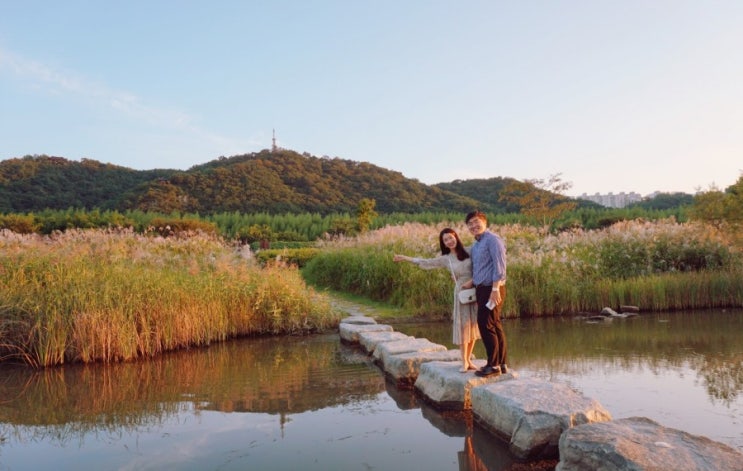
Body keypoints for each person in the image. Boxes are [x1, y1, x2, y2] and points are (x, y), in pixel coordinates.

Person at [393, 228, 480, 372]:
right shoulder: (446, 259)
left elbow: (481, 267)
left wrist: (472, 280)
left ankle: (469, 359)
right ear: (443, 243)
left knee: (473, 326)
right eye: (446, 240)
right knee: (463, 326)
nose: (449, 241)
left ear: (456, 237)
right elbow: (426, 262)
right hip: (461, 292)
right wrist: (406, 258)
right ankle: (463, 361)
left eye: (451, 238)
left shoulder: (470, 251)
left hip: (475, 290)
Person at [464, 211, 508, 378]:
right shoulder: (476, 245)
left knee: (485, 324)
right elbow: (480, 269)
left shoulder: (493, 240)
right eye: (470, 224)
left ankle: (493, 365)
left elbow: (500, 267)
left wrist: (495, 289)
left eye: (476, 222)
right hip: (482, 288)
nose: (474, 226)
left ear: (484, 222)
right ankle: (501, 363)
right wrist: (471, 282)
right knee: (494, 324)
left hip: (492, 288)